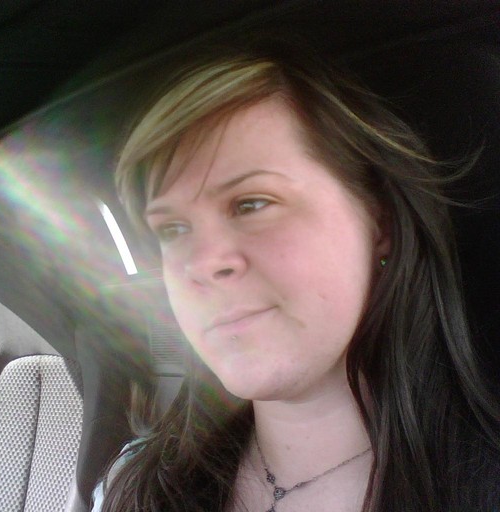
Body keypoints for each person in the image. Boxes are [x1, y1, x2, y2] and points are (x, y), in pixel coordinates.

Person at [92, 38, 500, 511]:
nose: (200, 264)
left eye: (251, 204)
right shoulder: (129, 489)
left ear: (380, 225)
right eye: (173, 229)